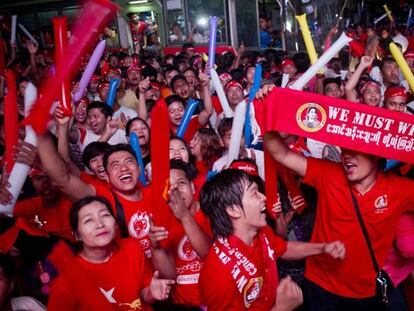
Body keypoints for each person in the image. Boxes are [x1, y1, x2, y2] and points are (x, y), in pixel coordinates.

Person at [264, 130, 414, 310]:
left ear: (375, 154)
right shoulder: (329, 174)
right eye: (344, 150)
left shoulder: (400, 189)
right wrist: (267, 110)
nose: (346, 156)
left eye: (354, 150)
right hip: (320, 287)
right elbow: (281, 153)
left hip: (365, 293)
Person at [199, 169, 345, 311]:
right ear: (233, 210)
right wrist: (281, 308)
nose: (264, 197)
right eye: (254, 193)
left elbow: (283, 248)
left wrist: (322, 248)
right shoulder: (218, 275)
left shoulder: (261, 232)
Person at [48, 196, 175, 310]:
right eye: (88, 220)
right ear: (77, 235)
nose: (100, 224)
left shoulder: (132, 247)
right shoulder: (66, 281)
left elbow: (142, 295)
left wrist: (151, 294)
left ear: (116, 224)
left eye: (105, 215)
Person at [149, 160, 211, 307]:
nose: (175, 191)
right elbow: (171, 276)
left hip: (214, 300)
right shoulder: (162, 221)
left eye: (181, 183)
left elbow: (210, 255)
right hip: (183, 304)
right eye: (169, 187)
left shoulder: (211, 212)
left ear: (192, 187)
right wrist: (155, 247)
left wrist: (184, 216)